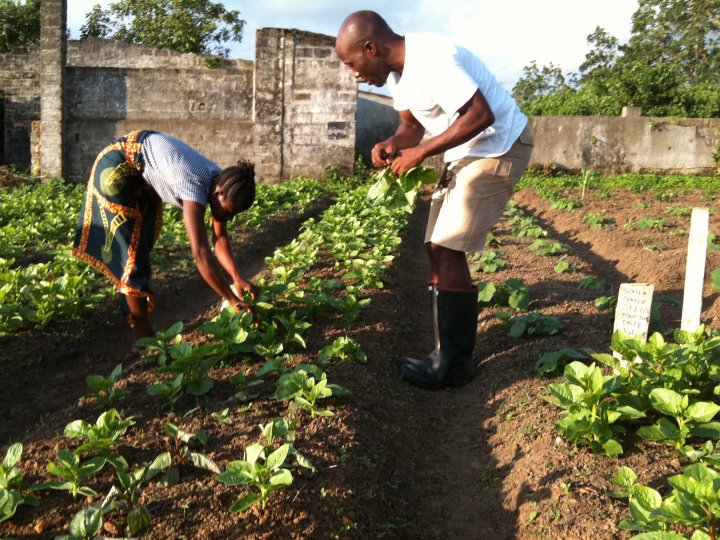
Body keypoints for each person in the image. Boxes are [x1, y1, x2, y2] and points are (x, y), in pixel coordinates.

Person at [336, 11, 534, 389]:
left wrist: (422, 152)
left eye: (352, 63)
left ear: (370, 47)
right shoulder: (398, 75)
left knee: (446, 246)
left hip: (499, 146)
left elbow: (480, 113)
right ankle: (444, 352)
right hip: (468, 151)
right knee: (433, 246)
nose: (354, 74)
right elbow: (410, 127)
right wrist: (392, 144)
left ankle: (455, 363)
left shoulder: (431, 58)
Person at [72, 130, 257, 342]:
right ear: (218, 194)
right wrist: (232, 299)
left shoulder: (221, 182)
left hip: (142, 173)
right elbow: (201, 254)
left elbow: (221, 238)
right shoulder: (194, 185)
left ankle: (134, 311)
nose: (228, 218)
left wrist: (236, 276)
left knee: (140, 247)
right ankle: (143, 339)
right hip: (118, 166)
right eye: (228, 212)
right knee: (132, 258)